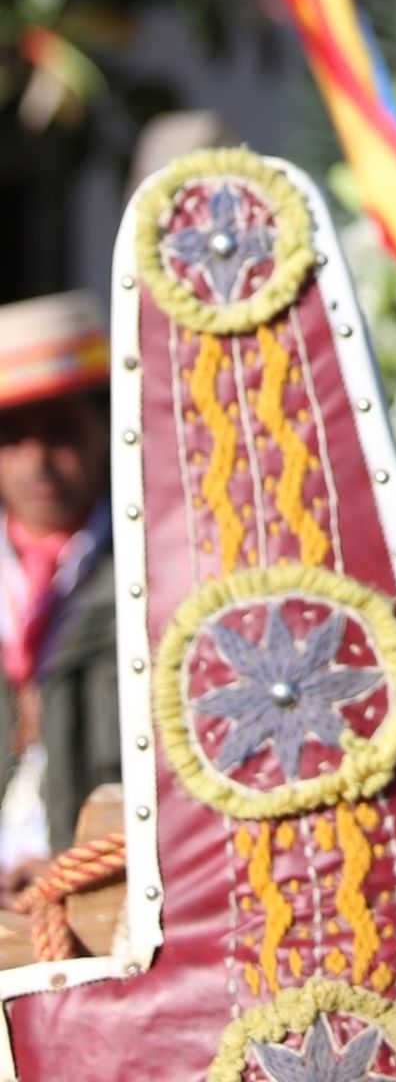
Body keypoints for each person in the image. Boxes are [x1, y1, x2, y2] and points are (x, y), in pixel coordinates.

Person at [0, 292, 116, 908]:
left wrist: (74, 868)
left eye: (60, 432)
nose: (36, 462)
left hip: (101, 909)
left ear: (106, 429)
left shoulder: (155, 575)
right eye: (12, 438)